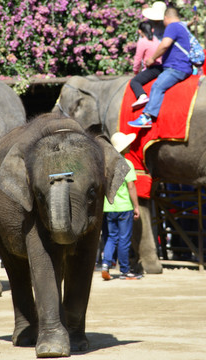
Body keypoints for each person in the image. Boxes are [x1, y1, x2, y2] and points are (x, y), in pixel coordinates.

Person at [128, 6, 192, 129]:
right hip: (182, 66)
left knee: (157, 86)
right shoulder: (182, 27)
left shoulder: (172, 27)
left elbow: (164, 45)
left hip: (175, 67)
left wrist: (152, 58)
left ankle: (146, 116)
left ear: (166, 18)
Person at [101, 132, 142, 280]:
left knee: (112, 237)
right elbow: (131, 187)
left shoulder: (106, 165)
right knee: (124, 239)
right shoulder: (127, 164)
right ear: (123, 148)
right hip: (124, 207)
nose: (130, 145)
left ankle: (106, 265)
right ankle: (125, 271)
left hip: (109, 207)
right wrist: (136, 206)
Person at [130, 21, 163, 110]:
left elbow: (137, 59)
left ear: (140, 31)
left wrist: (136, 72)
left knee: (134, 82)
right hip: (161, 67)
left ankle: (142, 96)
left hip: (153, 68)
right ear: (152, 30)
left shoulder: (142, 41)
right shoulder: (155, 39)